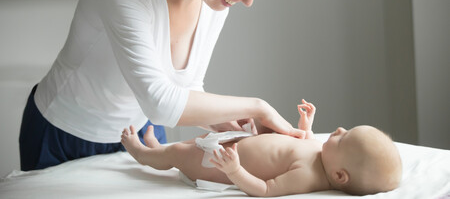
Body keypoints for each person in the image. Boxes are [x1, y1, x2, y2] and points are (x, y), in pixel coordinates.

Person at [19, 0, 304, 171]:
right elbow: (160, 103)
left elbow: (185, 87)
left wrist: (227, 124)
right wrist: (258, 107)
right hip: (65, 135)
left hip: (139, 133)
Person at [121, 99, 403, 197]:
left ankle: (144, 155)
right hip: (237, 142)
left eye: (344, 138)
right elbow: (301, 140)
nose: (339, 130)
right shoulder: (322, 153)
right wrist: (306, 124)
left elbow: (266, 190)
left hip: (221, 164)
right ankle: (158, 148)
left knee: (179, 155)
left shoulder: (308, 175)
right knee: (187, 145)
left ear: (340, 176)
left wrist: (235, 171)